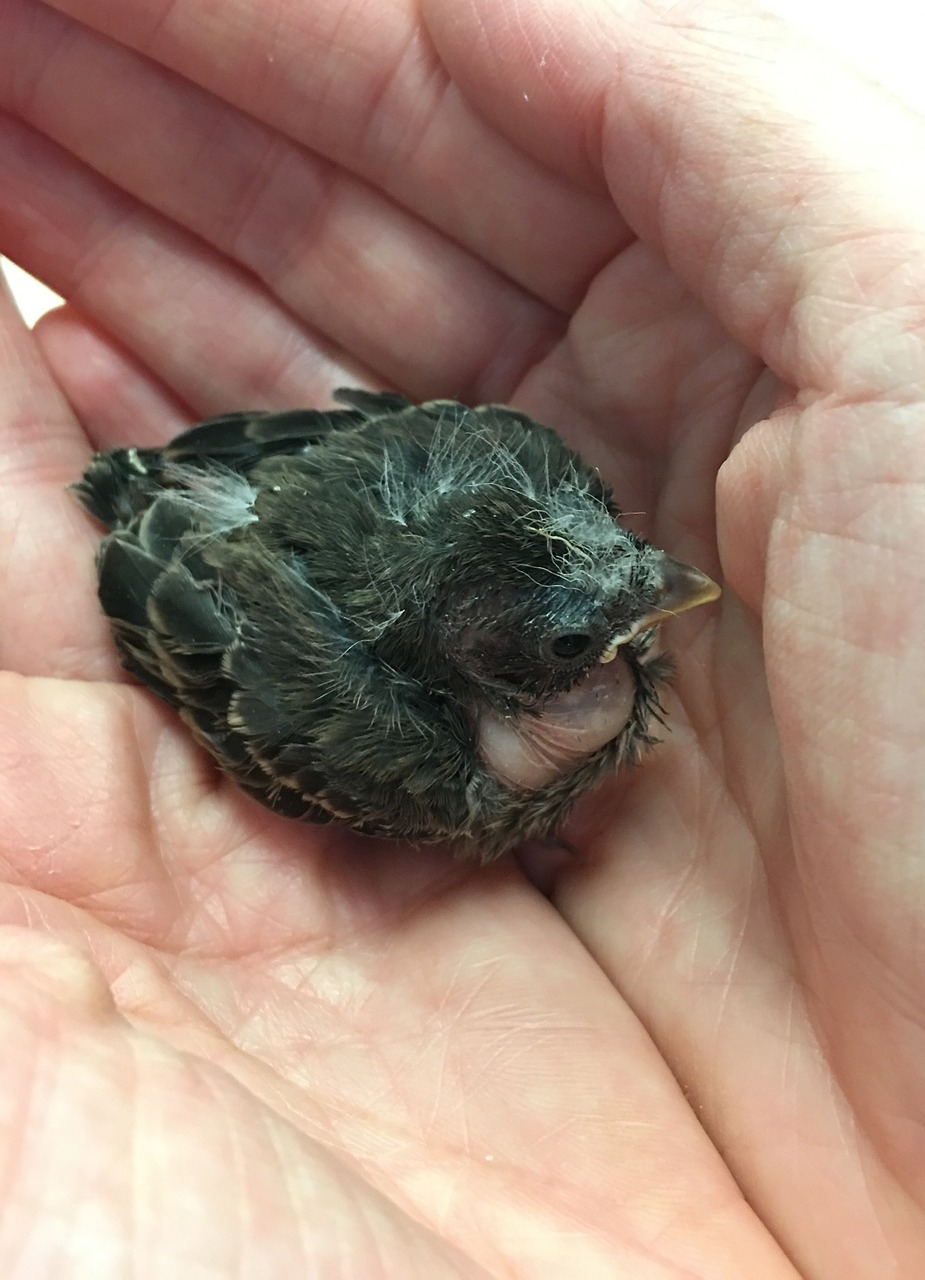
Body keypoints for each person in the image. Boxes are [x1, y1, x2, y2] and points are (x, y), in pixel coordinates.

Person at [0, 0, 923, 1274]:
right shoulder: (409, 753)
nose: (657, 582)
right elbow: (177, 571)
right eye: (567, 643)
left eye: (613, 561)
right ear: (469, 674)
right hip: (223, 553)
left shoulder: (519, 470)